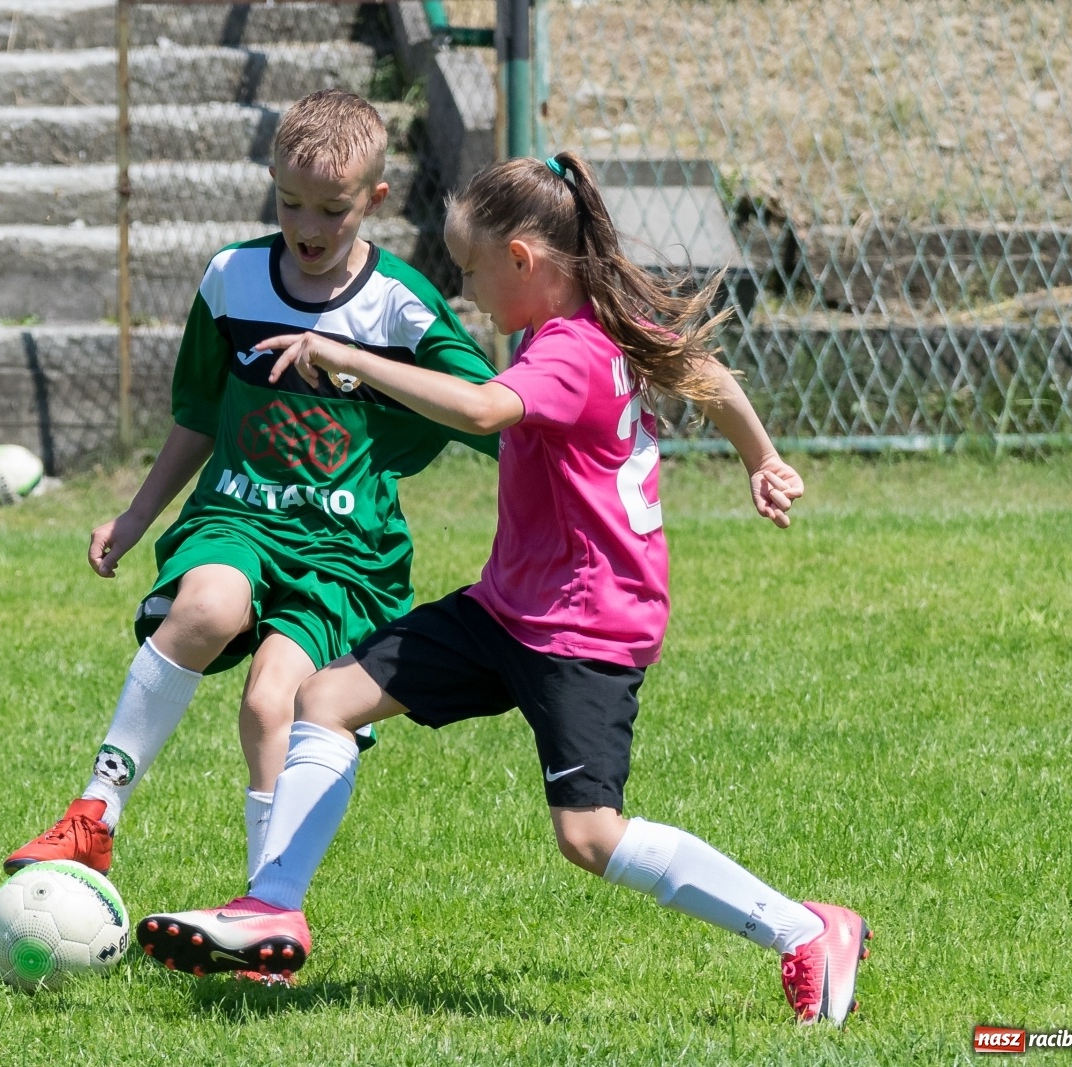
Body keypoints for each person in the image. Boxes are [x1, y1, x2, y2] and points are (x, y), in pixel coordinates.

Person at [135, 152, 871, 1026]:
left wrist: (349, 358)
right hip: (508, 608)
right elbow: (704, 373)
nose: (467, 290)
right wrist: (762, 458)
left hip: (584, 628)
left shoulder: (567, 350)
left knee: (589, 835)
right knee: (325, 699)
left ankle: (806, 929)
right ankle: (272, 908)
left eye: (473, 270)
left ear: (522, 260)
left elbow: (483, 410)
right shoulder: (602, 319)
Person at [3, 91, 498, 917]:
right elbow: (199, 413)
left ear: (375, 199)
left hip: (344, 552)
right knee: (206, 607)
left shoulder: (400, 303)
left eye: (332, 210)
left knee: (274, 705)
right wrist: (136, 516)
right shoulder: (232, 279)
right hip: (236, 516)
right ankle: (96, 811)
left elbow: (493, 411)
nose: (307, 226)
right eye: (289, 201)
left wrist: (579, 463)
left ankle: (266, 912)